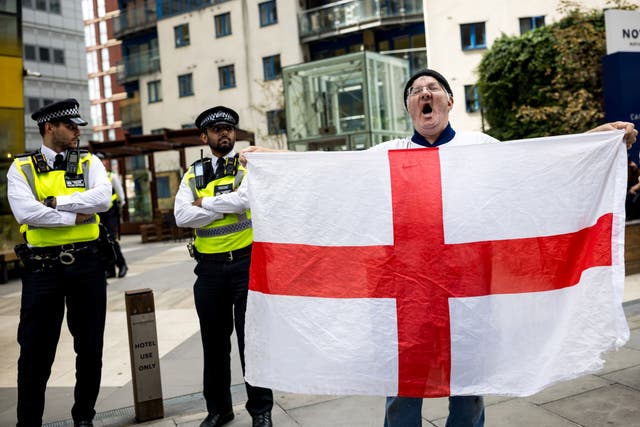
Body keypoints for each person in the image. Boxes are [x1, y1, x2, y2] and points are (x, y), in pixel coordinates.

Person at [240, 69, 637, 427]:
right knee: (402, 392)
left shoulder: (480, 146)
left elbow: (534, 170)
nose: (424, 94)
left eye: (433, 89)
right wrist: (274, 161)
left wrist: (594, 140)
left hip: (467, 291)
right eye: (416, 91)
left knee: (468, 389)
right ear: (410, 108)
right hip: (404, 296)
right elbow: (330, 175)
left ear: (449, 101)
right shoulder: (387, 155)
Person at [7, 99, 112, 427]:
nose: (77, 130)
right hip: (42, 269)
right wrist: (76, 217)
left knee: (90, 347)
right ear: (49, 127)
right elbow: (27, 214)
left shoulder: (89, 161)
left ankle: (84, 418)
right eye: (70, 125)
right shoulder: (21, 168)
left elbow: (103, 199)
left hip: (87, 265)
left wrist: (55, 203)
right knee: (35, 353)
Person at [173, 106, 273, 427]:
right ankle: (219, 410)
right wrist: (221, 206)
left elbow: (245, 200)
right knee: (213, 344)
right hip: (209, 270)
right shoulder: (193, 173)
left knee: (251, 342)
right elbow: (181, 216)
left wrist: (203, 203)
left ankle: (261, 411)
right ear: (205, 137)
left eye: (229, 128)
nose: (225, 133)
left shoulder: (246, 167)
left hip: (247, 265)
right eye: (217, 130)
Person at [96, 152, 128, 278]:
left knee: (111, 240)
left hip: (111, 213)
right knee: (101, 242)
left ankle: (122, 265)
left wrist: (117, 208)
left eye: (103, 160)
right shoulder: (92, 178)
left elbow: (121, 196)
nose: (102, 163)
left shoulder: (111, 177)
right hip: (99, 214)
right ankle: (109, 269)